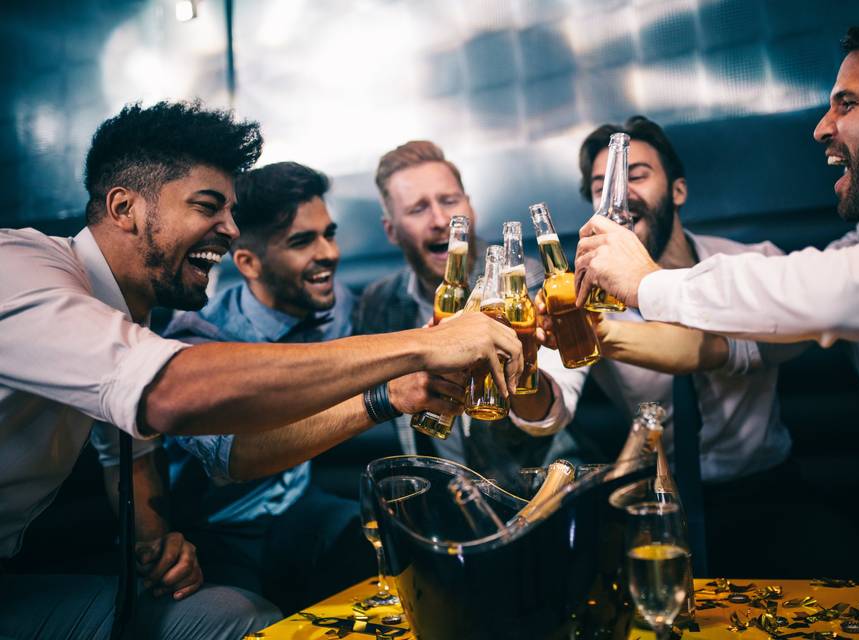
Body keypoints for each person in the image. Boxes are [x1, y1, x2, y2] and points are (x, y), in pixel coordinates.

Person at [0, 101, 522, 639]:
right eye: (209, 207)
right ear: (124, 207)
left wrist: (152, 543)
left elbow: (128, 448)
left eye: (230, 212)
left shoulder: (129, 314)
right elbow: (174, 397)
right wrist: (416, 353)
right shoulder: (20, 270)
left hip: (292, 511)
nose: (229, 230)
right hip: (219, 528)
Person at [574, 9, 859, 578]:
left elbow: (824, 297)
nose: (822, 127)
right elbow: (790, 308)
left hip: (807, 496)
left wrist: (647, 284)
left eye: (847, 104)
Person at [161, 161, 463, 612]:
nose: (329, 254)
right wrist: (386, 396)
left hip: (299, 506)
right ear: (248, 261)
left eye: (329, 233)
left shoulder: (336, 306)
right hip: (215, 527)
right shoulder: (200, 340)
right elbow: (236, 459)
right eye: (302, 242)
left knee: (399, 560)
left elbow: (401, 320)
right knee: (246, 616)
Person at [522, 117, 809, 577]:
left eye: (634, 175)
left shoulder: (751, 263)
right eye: (602, 186)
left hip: (771, 492)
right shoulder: (579, 294)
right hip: (657, 506)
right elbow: (546, 413)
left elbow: (777, 344)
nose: (619, 194)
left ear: (677, 191)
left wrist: (608, 336)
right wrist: (525, 358)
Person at [353, 140, 566, 489]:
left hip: (534, 491)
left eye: (450, 201)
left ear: (471, 208)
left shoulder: (526, 283)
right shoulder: (378, 301)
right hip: (437, 498)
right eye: (418, 209)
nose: (440, 220)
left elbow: (550, 416)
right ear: (391, 230)